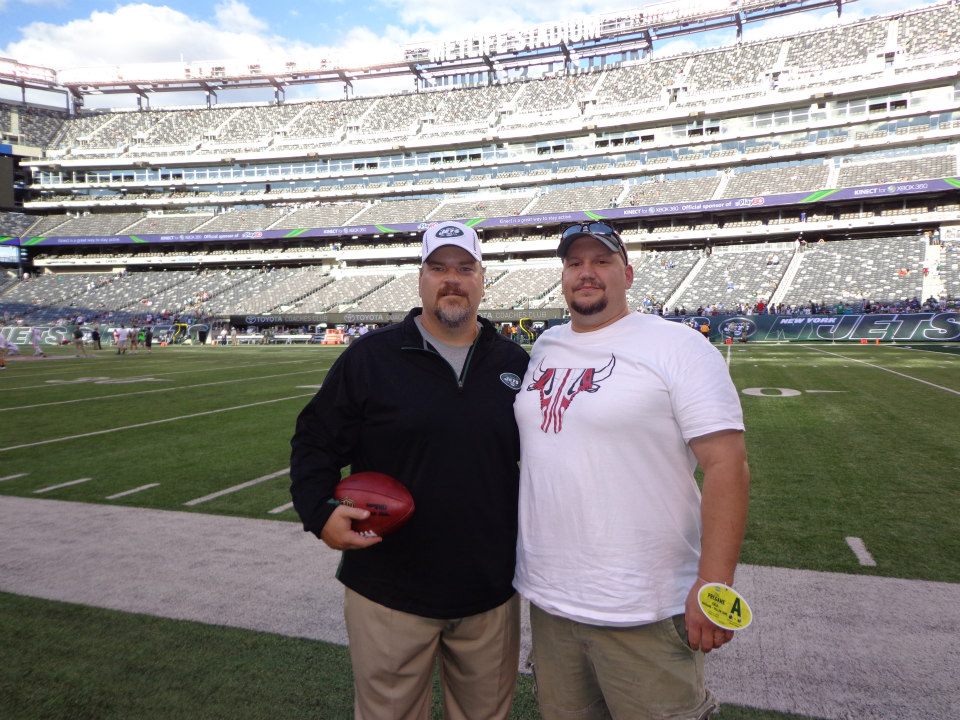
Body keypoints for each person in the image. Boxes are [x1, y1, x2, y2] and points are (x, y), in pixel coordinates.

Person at [290, 221, 529, 720]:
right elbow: (315, 439)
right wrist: (319, 510)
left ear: (482, 278)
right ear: (420, 278)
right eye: (438, 267)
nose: (452, 279)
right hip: (389, 589)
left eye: (465, 268)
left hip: (489, 590)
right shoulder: (370, 357)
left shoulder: (515, 362)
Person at [513, 221, 750, 719]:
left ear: (628, 272)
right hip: (551, 602)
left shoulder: (678, 346)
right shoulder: (545, 347)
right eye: (574, 263)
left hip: (645, 604)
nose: (586, 273)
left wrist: (714, 584)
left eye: (601, 261)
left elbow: (726, 465)